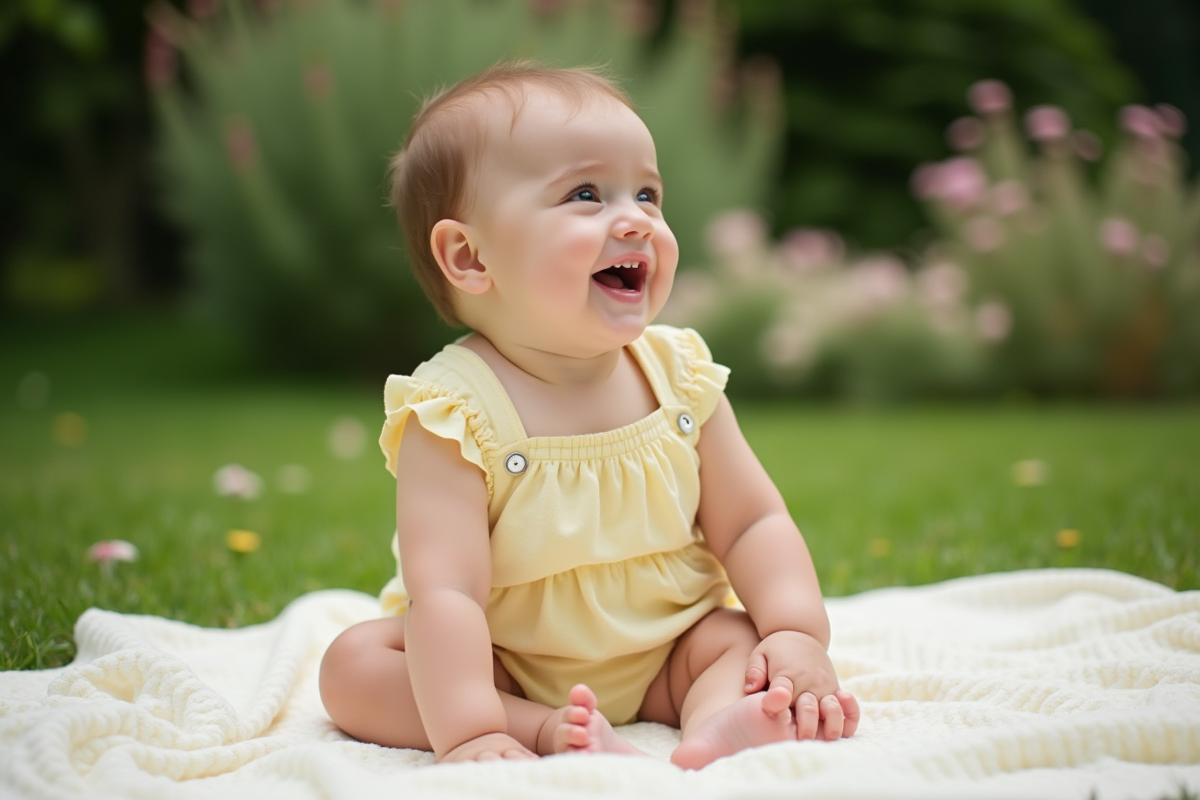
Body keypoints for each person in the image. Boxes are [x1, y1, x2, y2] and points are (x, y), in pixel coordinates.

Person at [318, 60, 859, 769]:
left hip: (671, 650)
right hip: (504, 663)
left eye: (648, 194)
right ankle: (542, 728)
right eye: (586, 194)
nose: (636, 219)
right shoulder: (454, 414)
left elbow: (753, 521)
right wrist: (472, 728)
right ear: (470, 256)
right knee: (353, 666)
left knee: (737, 637)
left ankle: (719, 720)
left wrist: (795, 633)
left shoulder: (679, 377)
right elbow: (447, 592)